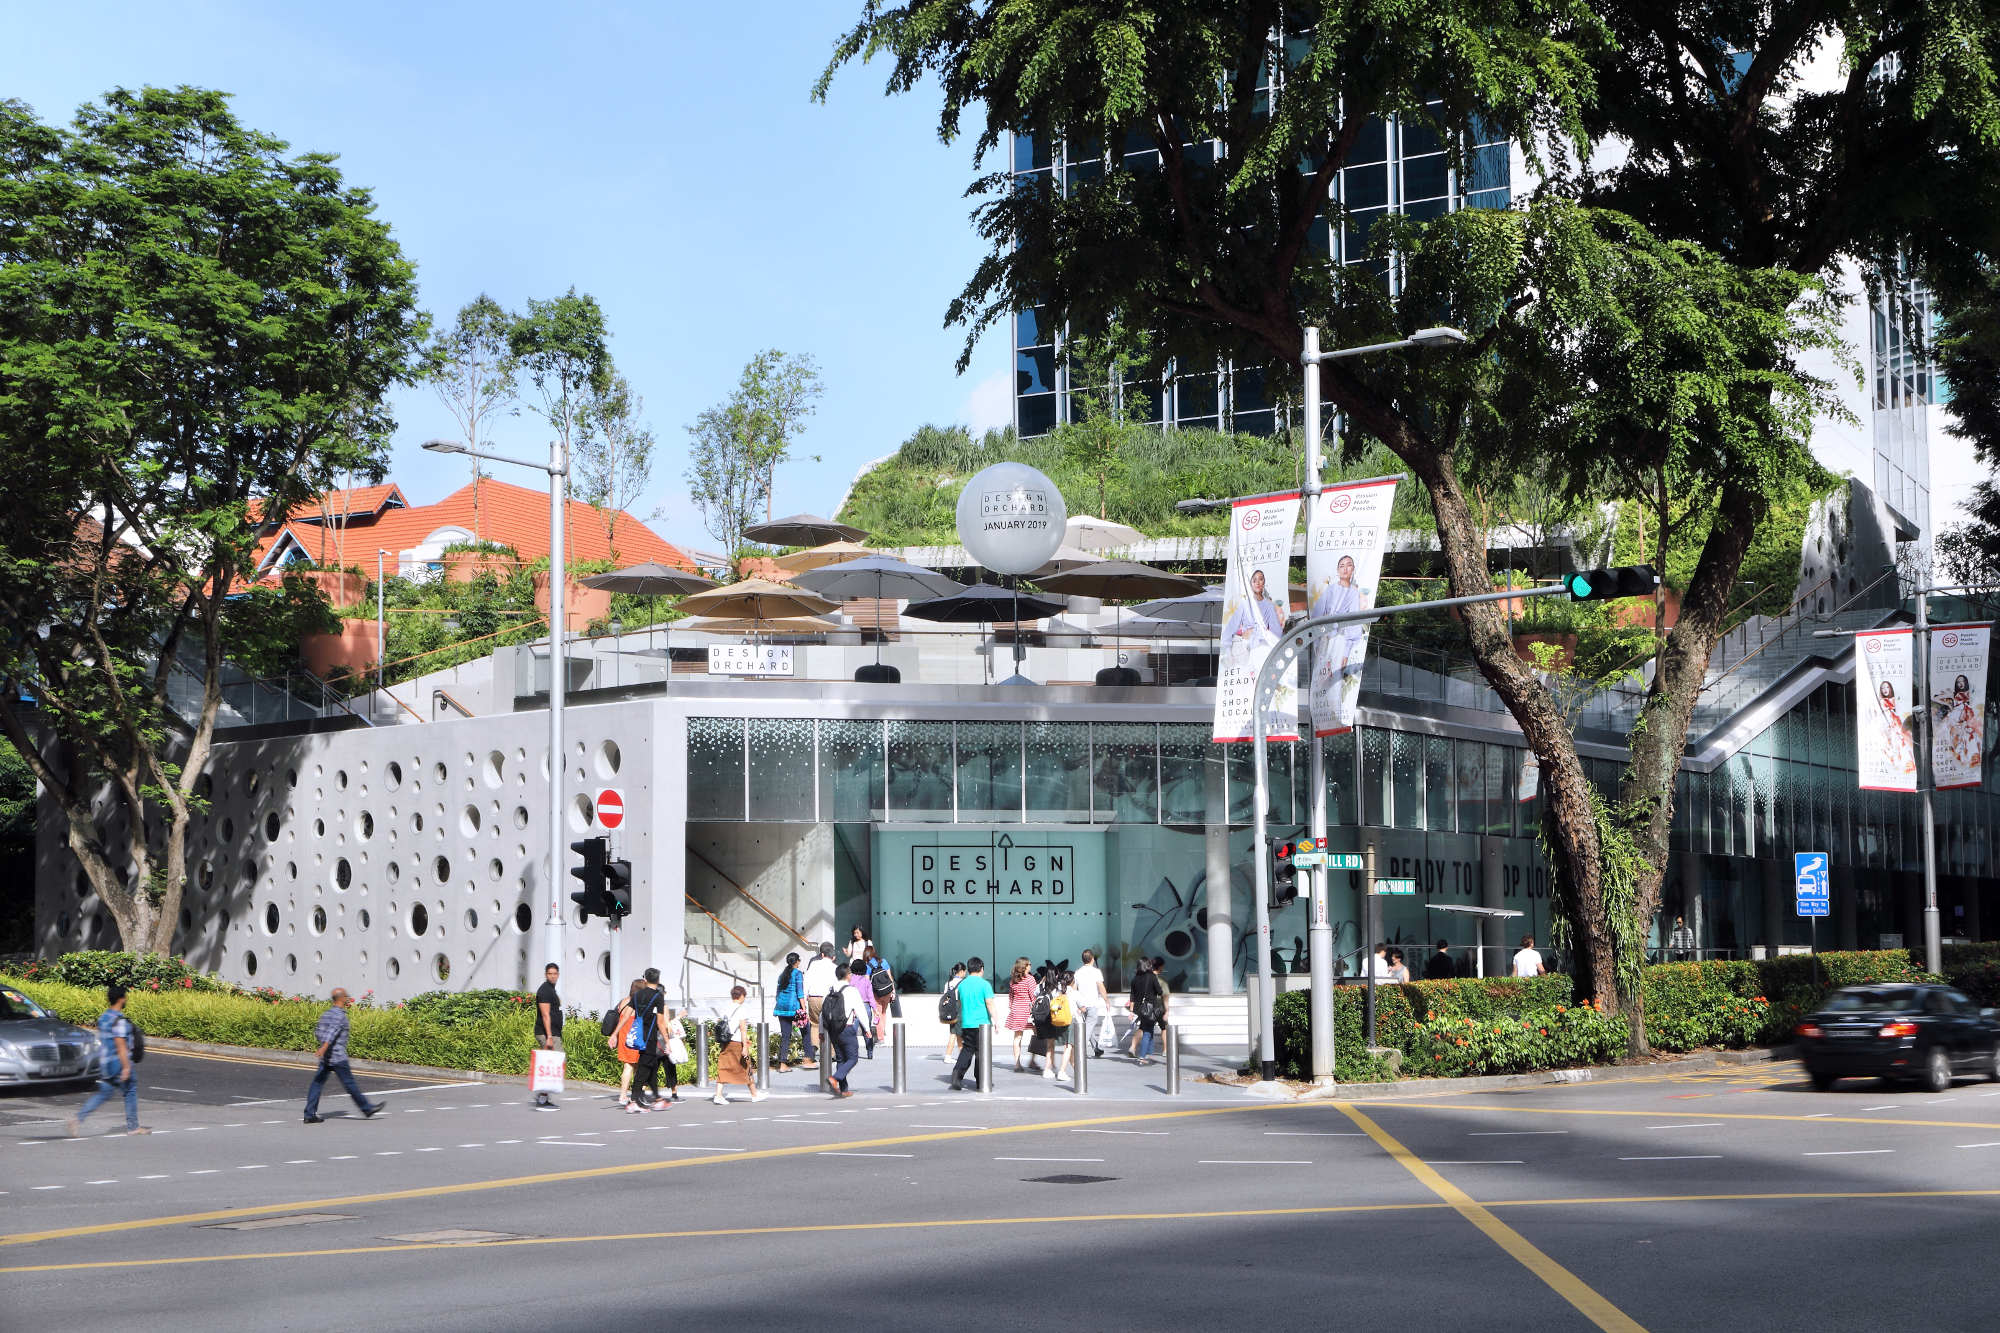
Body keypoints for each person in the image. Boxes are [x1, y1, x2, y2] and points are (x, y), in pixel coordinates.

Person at [69, 983, 147, 1137]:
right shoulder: (119, 1021)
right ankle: (133, 1127)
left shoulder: (103, 1018)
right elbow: (121, 1045)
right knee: (130, 1090)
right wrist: (125, 1067)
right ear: (121, 1000)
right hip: (118, 1062)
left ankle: (78, 1119)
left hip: (104, 1063)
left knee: (104, 1093)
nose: (126, 1000)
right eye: (125, 997)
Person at [302, 987, 381, 1123]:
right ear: (342, 998)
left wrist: (323, 1048)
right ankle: (367, 1109)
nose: (347, 998)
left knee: (317, 1084)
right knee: (350, 1084)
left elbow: (319, 1032)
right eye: (346, 996)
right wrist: (324, 1047)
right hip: (338, 1057)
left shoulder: (326, 1014)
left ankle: (309, 1114)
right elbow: (331, 1033)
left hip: (326, 1058)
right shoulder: (340, 1016)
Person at [711, 985, 765, 1105]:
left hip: (726, 1042)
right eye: (744, 996)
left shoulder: (725, 1007)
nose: (744, 998)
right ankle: (754, 1095)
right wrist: (745, 1046)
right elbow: (742, 1029)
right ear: (741, 996)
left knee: (724, 1067)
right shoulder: (741, 1009)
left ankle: (718, 1095)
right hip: (737, 1042)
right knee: (747, 1066)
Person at [949, 958, 996, 1091]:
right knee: (981, 1052)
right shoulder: (985, 984)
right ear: (981, 969)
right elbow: (990, 1003)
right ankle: (981, 1080)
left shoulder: (963, 985)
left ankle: (957, 1075)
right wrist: (996, 1020)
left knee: (967, 1049)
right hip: (982, 1024)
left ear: (969, 970)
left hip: (967, 1023)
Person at [625, 969, 669, 1113]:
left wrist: (614, 1033)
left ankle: (657, 1099)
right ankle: (634, 1101)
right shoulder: (658, 996)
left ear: (645, 979)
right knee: (644, 1069)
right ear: (658, 980)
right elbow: (661, 1022)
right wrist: (667, 1041)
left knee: (651, 1067)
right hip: (650, 1038)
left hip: (639, 1036)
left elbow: (626, 1014)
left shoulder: (637, 995)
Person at [823, 963, 868, 1097]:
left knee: (841, 1059)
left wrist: (821, 1030)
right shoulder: (851, 990)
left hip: (832, 1029)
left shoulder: (831, 989)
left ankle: (843, 1090)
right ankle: (835, 1078)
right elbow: (860, 1010)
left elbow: (823, 1011)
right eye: (850, 974)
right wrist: (867, 1028)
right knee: (853, 1058)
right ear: (848, 975)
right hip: (846, 1028)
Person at [1222, 568, 1285, 651]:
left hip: (1262, 647)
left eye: (1260, 579)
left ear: (1264, 582)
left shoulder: (1269, 605)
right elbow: (1230, 628)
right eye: (1254, 580)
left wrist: (1259, 633)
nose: (1257, 583)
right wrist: (1227, 650)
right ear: (1250, 584)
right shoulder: (1244, 604)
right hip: (1245, 647)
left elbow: (1276, 631)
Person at [609, 979, 645, 1107]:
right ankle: (625, 1095)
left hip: (623, 1037)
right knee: (633, 1067)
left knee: (630, 1066)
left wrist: (614, 1035)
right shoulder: (636, 1003)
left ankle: (630, 1093)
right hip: (633, 1038)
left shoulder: (623, 1001)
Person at [532, 963, 563, 1111]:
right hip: (547, 1034)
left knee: (552, 1065)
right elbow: (545, 1015)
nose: (552, 976)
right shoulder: (544, 991)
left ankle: (543, 1097)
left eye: (555, 973)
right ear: (546, 974)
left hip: (552, 1033)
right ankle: (542, 1099)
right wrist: (549, 1037)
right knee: (553, 1064)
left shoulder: (551, 989)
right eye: (550, 973)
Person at [1072, 948, 1112, 1058]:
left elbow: (1074, 989)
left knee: (1088, 1026)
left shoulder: (1078, 972)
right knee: (1088, 1028)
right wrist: (1107, 1001)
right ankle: (1080, 1051)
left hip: (1082, 1004)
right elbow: (1101, 987)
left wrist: (1076, 1003)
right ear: (1092, 959)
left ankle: (1096, 1048)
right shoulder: (1096, 972)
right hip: (1092, 1004)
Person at [1127, 959, 1167, 1065]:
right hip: (1150, 1007)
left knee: (1145, 1029)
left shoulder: (1135, 979)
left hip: (1140, 1009)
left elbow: (1132, 996)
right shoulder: (1152, 977)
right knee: (1147, 1032)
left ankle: (1148, 1051)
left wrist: (1131, 1011)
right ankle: (1142, 1057)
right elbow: (1160, 991)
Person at [802, 943, 837, 1061]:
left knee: (815, 1024)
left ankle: (813, 1049)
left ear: (822, 954)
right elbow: (836, 986)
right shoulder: (834, 967)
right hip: (827, 998)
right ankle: (831, 1054)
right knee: (830, 1025)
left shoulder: (814, 964)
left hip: (813, 997)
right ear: (832, 955)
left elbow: (806, 980)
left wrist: (805, 995)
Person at [773, 952, 807, 1071]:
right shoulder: (798, 974)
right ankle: (809, 1059)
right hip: (793, 1008)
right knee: (806, 1031)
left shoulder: (782, 974)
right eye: (799, 960)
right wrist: (804, 1009)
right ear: (797, 961)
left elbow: (777, 993)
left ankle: (782, 1064)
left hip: (781, 1008)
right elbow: (800, 993)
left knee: (785, 1036)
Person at [862, 945, 898, 1056]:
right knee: (883, 1012)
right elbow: (890, 976)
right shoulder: (883, 961)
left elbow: (867, 983)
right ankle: (882, 1033)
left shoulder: (867, 966)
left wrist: (868, 997)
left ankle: (881, 1038)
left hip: (876, 993)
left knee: (877, 1014)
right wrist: (893, 991)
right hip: (887, 991)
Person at [1004, 958, 1036, 1070]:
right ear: (1025, 966)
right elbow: (1033, 996)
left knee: (1017, 1037)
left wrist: (1012, 1006)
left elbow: (1011, 997)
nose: (1031, 966)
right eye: (1029, 964)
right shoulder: (1030, 979)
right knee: (1037, 1034)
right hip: (1028, 1012)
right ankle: (1032, 1060)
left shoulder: (1013, 980)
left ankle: (1017, 1064)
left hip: (1016, 1011)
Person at [848, 948, 879, 1059]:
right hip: (865, 1006)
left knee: (852, 1031)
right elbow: (871, 997)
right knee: (867, 1029)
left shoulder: (850, 980)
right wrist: (875, 1009)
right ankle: (870, 1052)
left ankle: (852, 1053)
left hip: (853, 1007)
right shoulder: (866, 981)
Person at [939, 962, 967, 1063]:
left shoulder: (948, 982)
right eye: (965, 971)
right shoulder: (963, 983)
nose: (965, 973)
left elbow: (945, 996)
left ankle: (961, 1055)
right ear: (962, 971)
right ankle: (948, 1056)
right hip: (959, 1009)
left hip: (950, 1010)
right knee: (954, 1033)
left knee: (957, 1033)